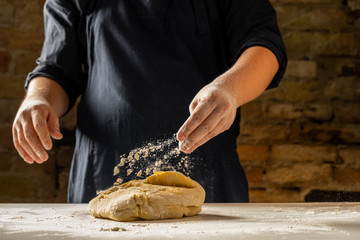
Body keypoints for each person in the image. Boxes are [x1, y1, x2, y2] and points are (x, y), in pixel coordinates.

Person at [12, 0, 287, 203]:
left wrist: (229, 89)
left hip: (207, 174)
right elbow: (57, 69)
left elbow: (263, 44)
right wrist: (38, 99)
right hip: (103, 174)